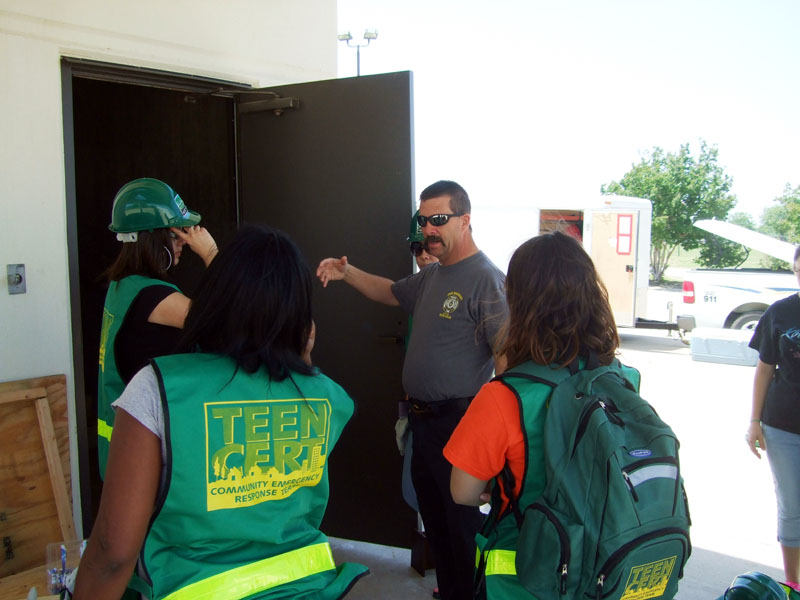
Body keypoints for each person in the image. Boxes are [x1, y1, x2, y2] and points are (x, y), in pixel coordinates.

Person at [74, 225, 368, 600]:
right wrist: (305, 357)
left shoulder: (160, 387)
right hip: (309, 589)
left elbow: (112, 553)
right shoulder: (328, 398)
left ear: (217, 296)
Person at [317, 181, 508, 600]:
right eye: (424, 221)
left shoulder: (487, 280)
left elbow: (506, 363)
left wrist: (499, 441)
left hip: (459, 425)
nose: (428, 230)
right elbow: (388, 290)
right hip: (424, 425)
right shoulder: (432, 277)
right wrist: (347, 272)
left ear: (465, 220)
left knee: (461, 529)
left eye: (438, 220)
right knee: (437, 524)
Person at [445, 231, 627, 598]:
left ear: (518, 302)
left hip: (525, 578)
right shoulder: (621, 378)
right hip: (600, 570)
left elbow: (462, 492)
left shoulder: (505, 396)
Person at [97, 177, 218, 478]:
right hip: (143, 456)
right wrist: (212, 254)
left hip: (121, 448)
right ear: (154, 238)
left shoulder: (121, 287)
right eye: (175, 235)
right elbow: (232, 317)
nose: (182, 245)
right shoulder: (156, 298)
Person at [747, 245, 800, 593]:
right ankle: (793, 582)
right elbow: (765, 369)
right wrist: (754, 421)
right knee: (792, 505)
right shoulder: (781, 312)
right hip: (782, 426)